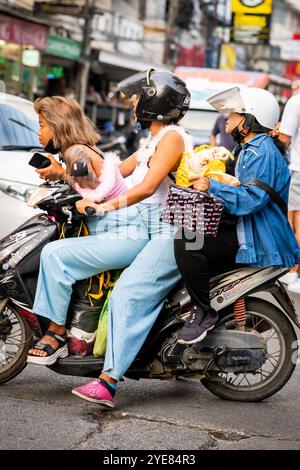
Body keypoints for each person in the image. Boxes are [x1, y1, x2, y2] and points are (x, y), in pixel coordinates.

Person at [71, 68, 193, 408]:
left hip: (171, 228)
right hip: (146, 223)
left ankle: (108, 382)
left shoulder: (173, 138)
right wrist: (68, 173)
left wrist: (105, 205)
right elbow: (115, 172)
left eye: (139, 97)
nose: (134, 102)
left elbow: (147, 187)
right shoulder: (152, 141)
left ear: (155, 102)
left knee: (127, 294)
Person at [27, 96, 149, 365]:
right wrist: (60, 172)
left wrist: (61, 173)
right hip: (120, 229)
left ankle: (56, 334)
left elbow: (90, 188)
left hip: (123, 233)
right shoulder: (80, 149)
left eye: (42, 124)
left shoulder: (76, 153)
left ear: (57, 126)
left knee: (54, 255)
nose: (39, 131)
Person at [174, 86, 300, 345]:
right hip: (248, 228)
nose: (227, 119)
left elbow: (251, 198)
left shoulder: (260, 152)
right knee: (192, 229)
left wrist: (211, 186)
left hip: (259, 238)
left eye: (233, 114)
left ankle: (203, 311)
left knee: (187, 241)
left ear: (250, 119)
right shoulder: (250, 148)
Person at [278, 83, 300, 291]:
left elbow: (284, 137)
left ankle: (294, 272)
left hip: (298, 170)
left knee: (295, 221)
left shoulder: (296, 101)